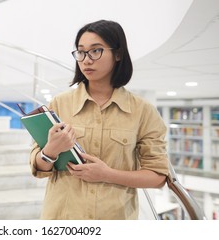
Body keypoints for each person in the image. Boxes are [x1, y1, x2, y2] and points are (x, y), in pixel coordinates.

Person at [29, 20, 169, 219]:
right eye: (81, 52)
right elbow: (39, 168)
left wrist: (107, 174)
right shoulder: (60, 104)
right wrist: (50, 151)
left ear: (118, 54)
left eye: (96, 51)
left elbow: (158, 176)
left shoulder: (143, 111)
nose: (86, 60)